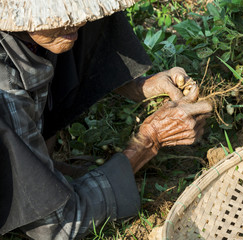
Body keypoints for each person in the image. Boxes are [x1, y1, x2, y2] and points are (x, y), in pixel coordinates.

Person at [0, 0, 212, 239]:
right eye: (60, 16)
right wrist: (148, 141)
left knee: (73, 28)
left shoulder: (44, 32)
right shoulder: (4, 90)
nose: (78, 21)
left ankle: (45, 165)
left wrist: (138, 86)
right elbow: (56, 226)